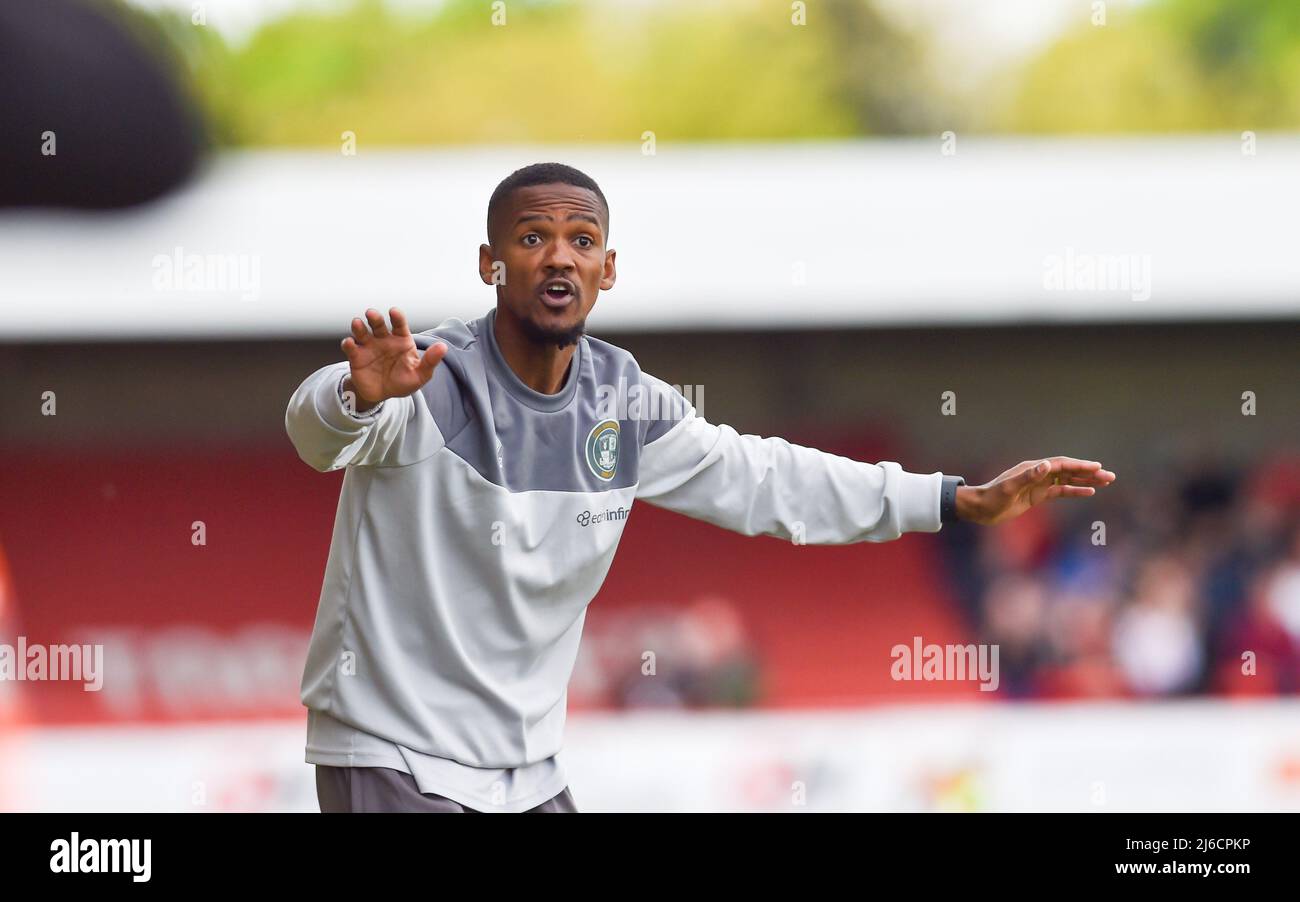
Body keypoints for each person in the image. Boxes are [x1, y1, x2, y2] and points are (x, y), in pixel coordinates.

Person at [285, 162, 1116, 813]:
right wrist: (354, 394)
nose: (559, 255)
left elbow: (766, 480)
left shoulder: (626, 400)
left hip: (521, 768)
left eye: (581, 239)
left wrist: (951, 499)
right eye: (532, 236)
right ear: (489, 263)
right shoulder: (423, 377)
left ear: (607, 269)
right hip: (391, 752)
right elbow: (317, 435)